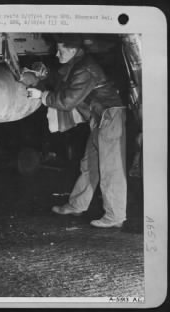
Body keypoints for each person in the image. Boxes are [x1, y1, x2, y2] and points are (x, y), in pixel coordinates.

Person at [27, 34, 127, 228]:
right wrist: (42, 75)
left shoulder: (85, 69)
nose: (56, 54)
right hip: (99, 117)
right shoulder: (76, 65)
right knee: (89, 164)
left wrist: (42, 95)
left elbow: (66, 101)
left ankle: (116, 216)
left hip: (109, 117)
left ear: (73, 50)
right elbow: (62, 83)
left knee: (110, 168)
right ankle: (77, 204)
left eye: (61, 50)